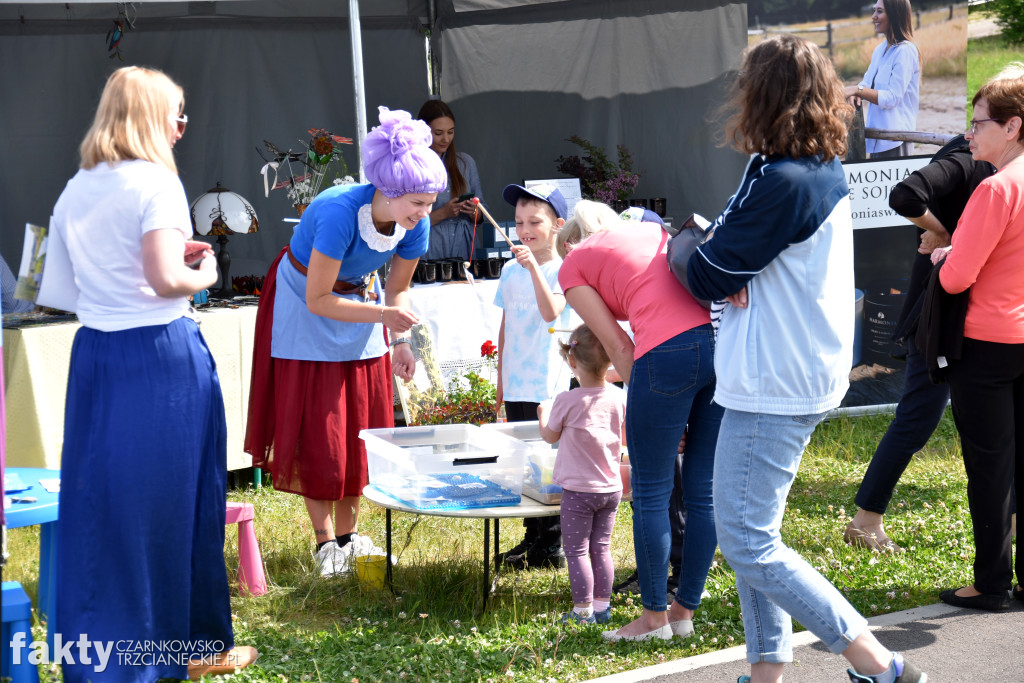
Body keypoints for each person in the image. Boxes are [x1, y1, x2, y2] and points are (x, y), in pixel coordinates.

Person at [685, 35, 927, 682]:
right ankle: (767, 671)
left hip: (774, 378)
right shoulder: (805, 168)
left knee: (746, 538)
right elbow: (723, 260)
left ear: (761, 97)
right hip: (789, 371)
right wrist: (719, 257)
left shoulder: (783, 180)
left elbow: (705, 270)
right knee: (754, 533)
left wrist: (699, 249)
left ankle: (880, 664)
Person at [51, 66, 257, 682]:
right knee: (177, 504)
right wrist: (207, 272)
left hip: (96, 355)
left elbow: (57, 287)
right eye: (178, 114)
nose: (181, 127)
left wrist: (136, 274)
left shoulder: (75, 186)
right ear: (150, 118)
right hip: (158, 356)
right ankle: (174, 652)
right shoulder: (156, 183)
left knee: (102, 506)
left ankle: (107, 656)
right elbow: (168, 281)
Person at [245, 106, 447, 577]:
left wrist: (402, 342)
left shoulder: (415, 225)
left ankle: (350, 535)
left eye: (429, 202)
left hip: (358, 301)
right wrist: (382, 316)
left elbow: (397, 289)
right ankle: (323, 545)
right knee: (320, 425)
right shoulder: (338, 212)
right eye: (417, 202)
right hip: (304, 301)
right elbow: (318, 298)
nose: (424, 213)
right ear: (388, 191)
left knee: (359, 422)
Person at [559, 202, 722, 643]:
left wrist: (658, 413)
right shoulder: (651, 233)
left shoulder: (573, 264)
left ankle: (652, 620)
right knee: (702, 491)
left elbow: (618, 347)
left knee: (651, 493)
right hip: (721, 345)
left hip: (665, 356)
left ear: (571, 241)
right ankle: (684, 611)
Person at [844, 135, 994, 552]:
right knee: (918, 419)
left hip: (972, 317)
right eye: (977, 121)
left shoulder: (995, 168)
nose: (974, 131)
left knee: (991, 425)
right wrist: (941, 231)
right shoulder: (967, 159)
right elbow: (906, 194)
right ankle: (865, 519)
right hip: (942, 318)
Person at [929, 63, 1024, 612]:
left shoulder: (995, 189)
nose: (970, 133)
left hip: (987, 345)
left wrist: (944, 254)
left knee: (990, 467)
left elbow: (957, 277)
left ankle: (991, 583)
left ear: (1011, 127)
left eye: (979, 123)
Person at [493, 183, 571, 570]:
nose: (524, 230)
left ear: (557, 224)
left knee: (548, 461)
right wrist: (500, 380)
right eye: (519, 221)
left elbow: (550, 313)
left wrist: (534, 268)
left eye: (534, 222)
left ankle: (552, 542)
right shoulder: (509, 270)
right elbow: (506, 326)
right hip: (517, 378)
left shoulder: (564, 269)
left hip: (548, 382)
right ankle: (532, 535)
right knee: (525, 462)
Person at [537, 324, 626, 624]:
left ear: (572, 361)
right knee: (601, 548)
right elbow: (624, 437)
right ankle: (602, 608)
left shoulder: (566, 400)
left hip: (578, 492)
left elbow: (550, 436)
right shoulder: (618, 397)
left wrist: (542, 415)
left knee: (576, 551)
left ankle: (582, 610)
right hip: (610, 488)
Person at [844, 0, 920, 158]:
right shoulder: (879, 50)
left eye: (879, 11)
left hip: (897, 140)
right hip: (876, 139)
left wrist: (857, 90)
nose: (873, 17)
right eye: (874, 11)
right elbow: (866, 83)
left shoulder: (906, 51)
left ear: (894, 15)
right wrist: (856, 93)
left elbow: (892, 98)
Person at [416, 99, 484, 263]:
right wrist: (442, 213)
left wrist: (475, 211)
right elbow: (403, 223)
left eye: (451, 132)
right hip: (430, 246)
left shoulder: (465, 163)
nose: (446, 139)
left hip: (464, 246)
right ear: (423, 132)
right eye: (438, 133)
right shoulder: (413, 165)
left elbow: (483, 213)